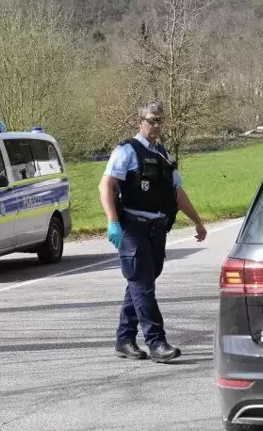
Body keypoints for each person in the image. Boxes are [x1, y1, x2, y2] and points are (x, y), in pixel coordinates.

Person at [98, 100, 207, 363]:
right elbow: (106, 185)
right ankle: (157, 342)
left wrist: (197, 221)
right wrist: (112, 221)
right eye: (151, 121)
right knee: (142, 285)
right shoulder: (127, 150)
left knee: (140, 283)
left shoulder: (163, 155)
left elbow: (177, 193)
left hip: (157, 229)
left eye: (160, 121)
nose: (156, 126)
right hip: (132, 227)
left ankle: (124, 339)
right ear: (140, 122)